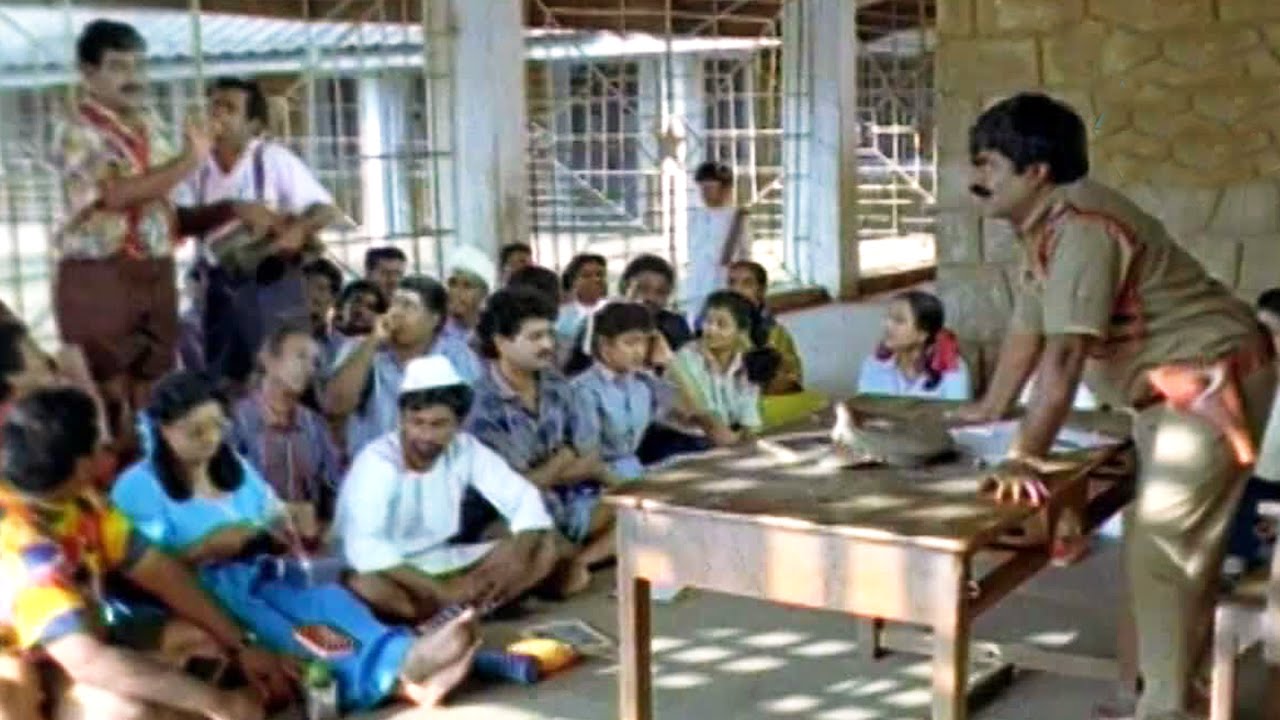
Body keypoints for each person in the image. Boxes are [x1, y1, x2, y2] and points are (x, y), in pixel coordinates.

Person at [957, 92, 1276, 720]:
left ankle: (1165, 709)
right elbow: (1028, 330)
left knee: (1162, 555)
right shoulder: (1042, 231)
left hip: (1209, 383)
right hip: (1174, 391)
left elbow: (1066, 358)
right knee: (1170, 557)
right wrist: (988, 408)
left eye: (989, 164)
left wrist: (1026, 455)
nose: (976, 180)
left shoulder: (1082, 228)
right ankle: (1170, 696)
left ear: (1035, 173)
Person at [111, 373, 479, 713]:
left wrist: (286, 521)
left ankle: (402, 658)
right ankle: (401, 674)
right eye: (196, 432)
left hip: (263, 570)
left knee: (327, 601)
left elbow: (270, 512)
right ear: (163, 430)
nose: (211, 440)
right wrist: (206, 548)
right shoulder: (137, 487)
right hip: (206, 592)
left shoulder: (231, 465)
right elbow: (144, 572)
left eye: (218, 427)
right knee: (288, 629)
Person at [2, 387, 296, 720]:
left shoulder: (78, 499)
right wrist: (215, 702)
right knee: (124, 711)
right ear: (84, 465)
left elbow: (156, 568)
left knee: (203, 645)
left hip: (88, 635)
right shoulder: (25, 553)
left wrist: (241, 644)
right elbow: (87, 661)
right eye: (101, 445)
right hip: (36, 663)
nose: (109, 450)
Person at [50, 20, 269, 447]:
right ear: (87, 73)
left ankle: (152, 495)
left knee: (152, 397)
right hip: (99, 277)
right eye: (117, 67)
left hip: (155, 270)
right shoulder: (76, 129)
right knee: (108, 402)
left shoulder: (151, 124)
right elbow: (114, 197)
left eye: (138, 66)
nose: (132, 78)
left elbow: (159, 210)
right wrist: (192, 160)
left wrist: (231, 209)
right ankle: (115, 503)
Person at [336, 355, 566, 623]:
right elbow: (365, 546)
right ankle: (465, 609)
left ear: (457, 424)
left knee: (542, 547)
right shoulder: (377, 461)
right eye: (417, 423)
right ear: (402, 418)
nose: (426, 436)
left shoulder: (465, 449)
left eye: (438, 425)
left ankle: (458, 611)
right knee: (367, 587)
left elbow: (523, 498)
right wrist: (440, 591)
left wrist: (518, 554)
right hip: (390, 571)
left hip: (442, 560)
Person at [183, 76, 341, 389]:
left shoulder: (271, 159)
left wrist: (296, 230)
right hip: (219, 285)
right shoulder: (193, 165)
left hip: (273, 282)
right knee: (225, 379)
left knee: (284, 374)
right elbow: (179, 220)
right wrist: (234, 209)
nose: (218, 115)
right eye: (213, 106)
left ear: (253, 123)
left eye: (229, 108)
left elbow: (325, 209)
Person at [466, 287, 615, 594]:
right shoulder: (481, 405)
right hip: (504, 518)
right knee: (537, 547)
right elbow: (516, 489)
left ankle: (576, 561)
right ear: (501, 342)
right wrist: (563, 458)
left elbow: (590, 456)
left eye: (549, 334)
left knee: (642, 515)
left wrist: (556, 469)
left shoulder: (556, 384)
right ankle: (567, 564)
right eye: (534, 337)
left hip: (566, 504)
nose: (548, 345)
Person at [325, 276, 483, 457]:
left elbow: (468, 420)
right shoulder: (358, 348)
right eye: (395, 303)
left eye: (408, 305)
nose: (397, 312)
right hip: (375, 469)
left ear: (434, 319)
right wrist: (373, 341)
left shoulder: (457, 356)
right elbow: (335, 406)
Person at [229, 320, 341, 545]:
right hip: (248, 540)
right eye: (300, 356)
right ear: (268, 360)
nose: (309, 368)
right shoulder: (236, 421)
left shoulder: (313, 424)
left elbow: (335, 486)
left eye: (314, 362)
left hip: (306, 540)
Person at [570, 302, 674, 481]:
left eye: (644, 342)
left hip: (634, 472)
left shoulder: (643, 384)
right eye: (630, 342)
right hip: (594, 485)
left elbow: (686, 412)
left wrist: (669, 362)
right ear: (605, 345)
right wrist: (627, 490)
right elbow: (590, 461)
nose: (639, 351)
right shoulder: (583, 389)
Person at [727, 260, 828, 427]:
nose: (738, 290)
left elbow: (793, 376)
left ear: (761, 290)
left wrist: (771, 385)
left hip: (768, 397)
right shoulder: (717, 326)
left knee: (819, 404)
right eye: (732, 283)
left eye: (747, 283)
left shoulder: (776, 332)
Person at [666, 290, 765, 446]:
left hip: (726, 436)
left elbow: (749, 418)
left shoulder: (745, 362)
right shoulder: (686, 359)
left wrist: (750, 440)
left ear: (741, 332)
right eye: (708, 321)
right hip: (684, 441)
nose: (711, 329)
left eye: (721, 324)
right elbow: (706, 416)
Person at [857, 290, 971, 401]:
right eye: (887, 318)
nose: (887, 325)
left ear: (923, 334)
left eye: (899, 320)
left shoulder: (951, 369)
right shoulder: (873, 364)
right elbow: (866, 409)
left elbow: (954, 415)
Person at [683, 161, 751, 322]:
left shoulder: (737, 218)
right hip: (697, 285)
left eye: (710, 188)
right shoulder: (696, 217)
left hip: (724, 286)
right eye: (702, 188)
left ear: (726, 189)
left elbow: (742, 256)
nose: (704, 193)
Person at [620, 253, 692, 352]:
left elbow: (688, 363)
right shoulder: (607, 324)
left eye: (660, 292)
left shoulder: (675, 326)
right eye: (643, 288)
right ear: (625, 288)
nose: (651, 298)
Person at [555, 254, 609, 361]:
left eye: (600, 275)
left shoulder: (615, 309)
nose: (596, 279)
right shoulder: (560, 316)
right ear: (573, 282)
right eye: (587, 276)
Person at [442, 246, 495, 343]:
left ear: (484, 293)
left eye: (467, 286)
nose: (457, 292)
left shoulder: (493, 333)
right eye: (452, 283)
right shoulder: (434, 333)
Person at [301, 258, 344, 364]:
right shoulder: (277, 339)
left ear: (334, 298)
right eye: (306, 287)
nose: (312, 294)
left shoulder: (342, 346)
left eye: (321, 289)